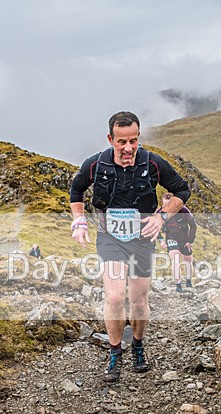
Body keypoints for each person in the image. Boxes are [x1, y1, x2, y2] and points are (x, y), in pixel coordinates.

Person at [69, 111, 191, 382]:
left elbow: (182, 192)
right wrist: (79, 221)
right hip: (110, 238)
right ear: (111, 139)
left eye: (133, 141)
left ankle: (137, 343)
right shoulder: (96, 165)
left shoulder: (154, 163)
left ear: (138, 138)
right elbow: (76, 191)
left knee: (138, 301)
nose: (128, 148)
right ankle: (114, 351)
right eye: (122, 142)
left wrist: (161, 217)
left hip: (142, 239)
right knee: (113, 297)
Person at [157, 193, 197, 292]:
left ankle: (188, 282)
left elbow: (193, 226)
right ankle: (178, 285)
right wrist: (161, 240)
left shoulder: (184, 210)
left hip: (184, 238)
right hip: (171, 237)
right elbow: (155, 227)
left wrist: (190, 241)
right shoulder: (160, 212)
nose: (166, 208)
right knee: (175, 260)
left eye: (168, 205)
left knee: (188, 261)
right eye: (164, 205)